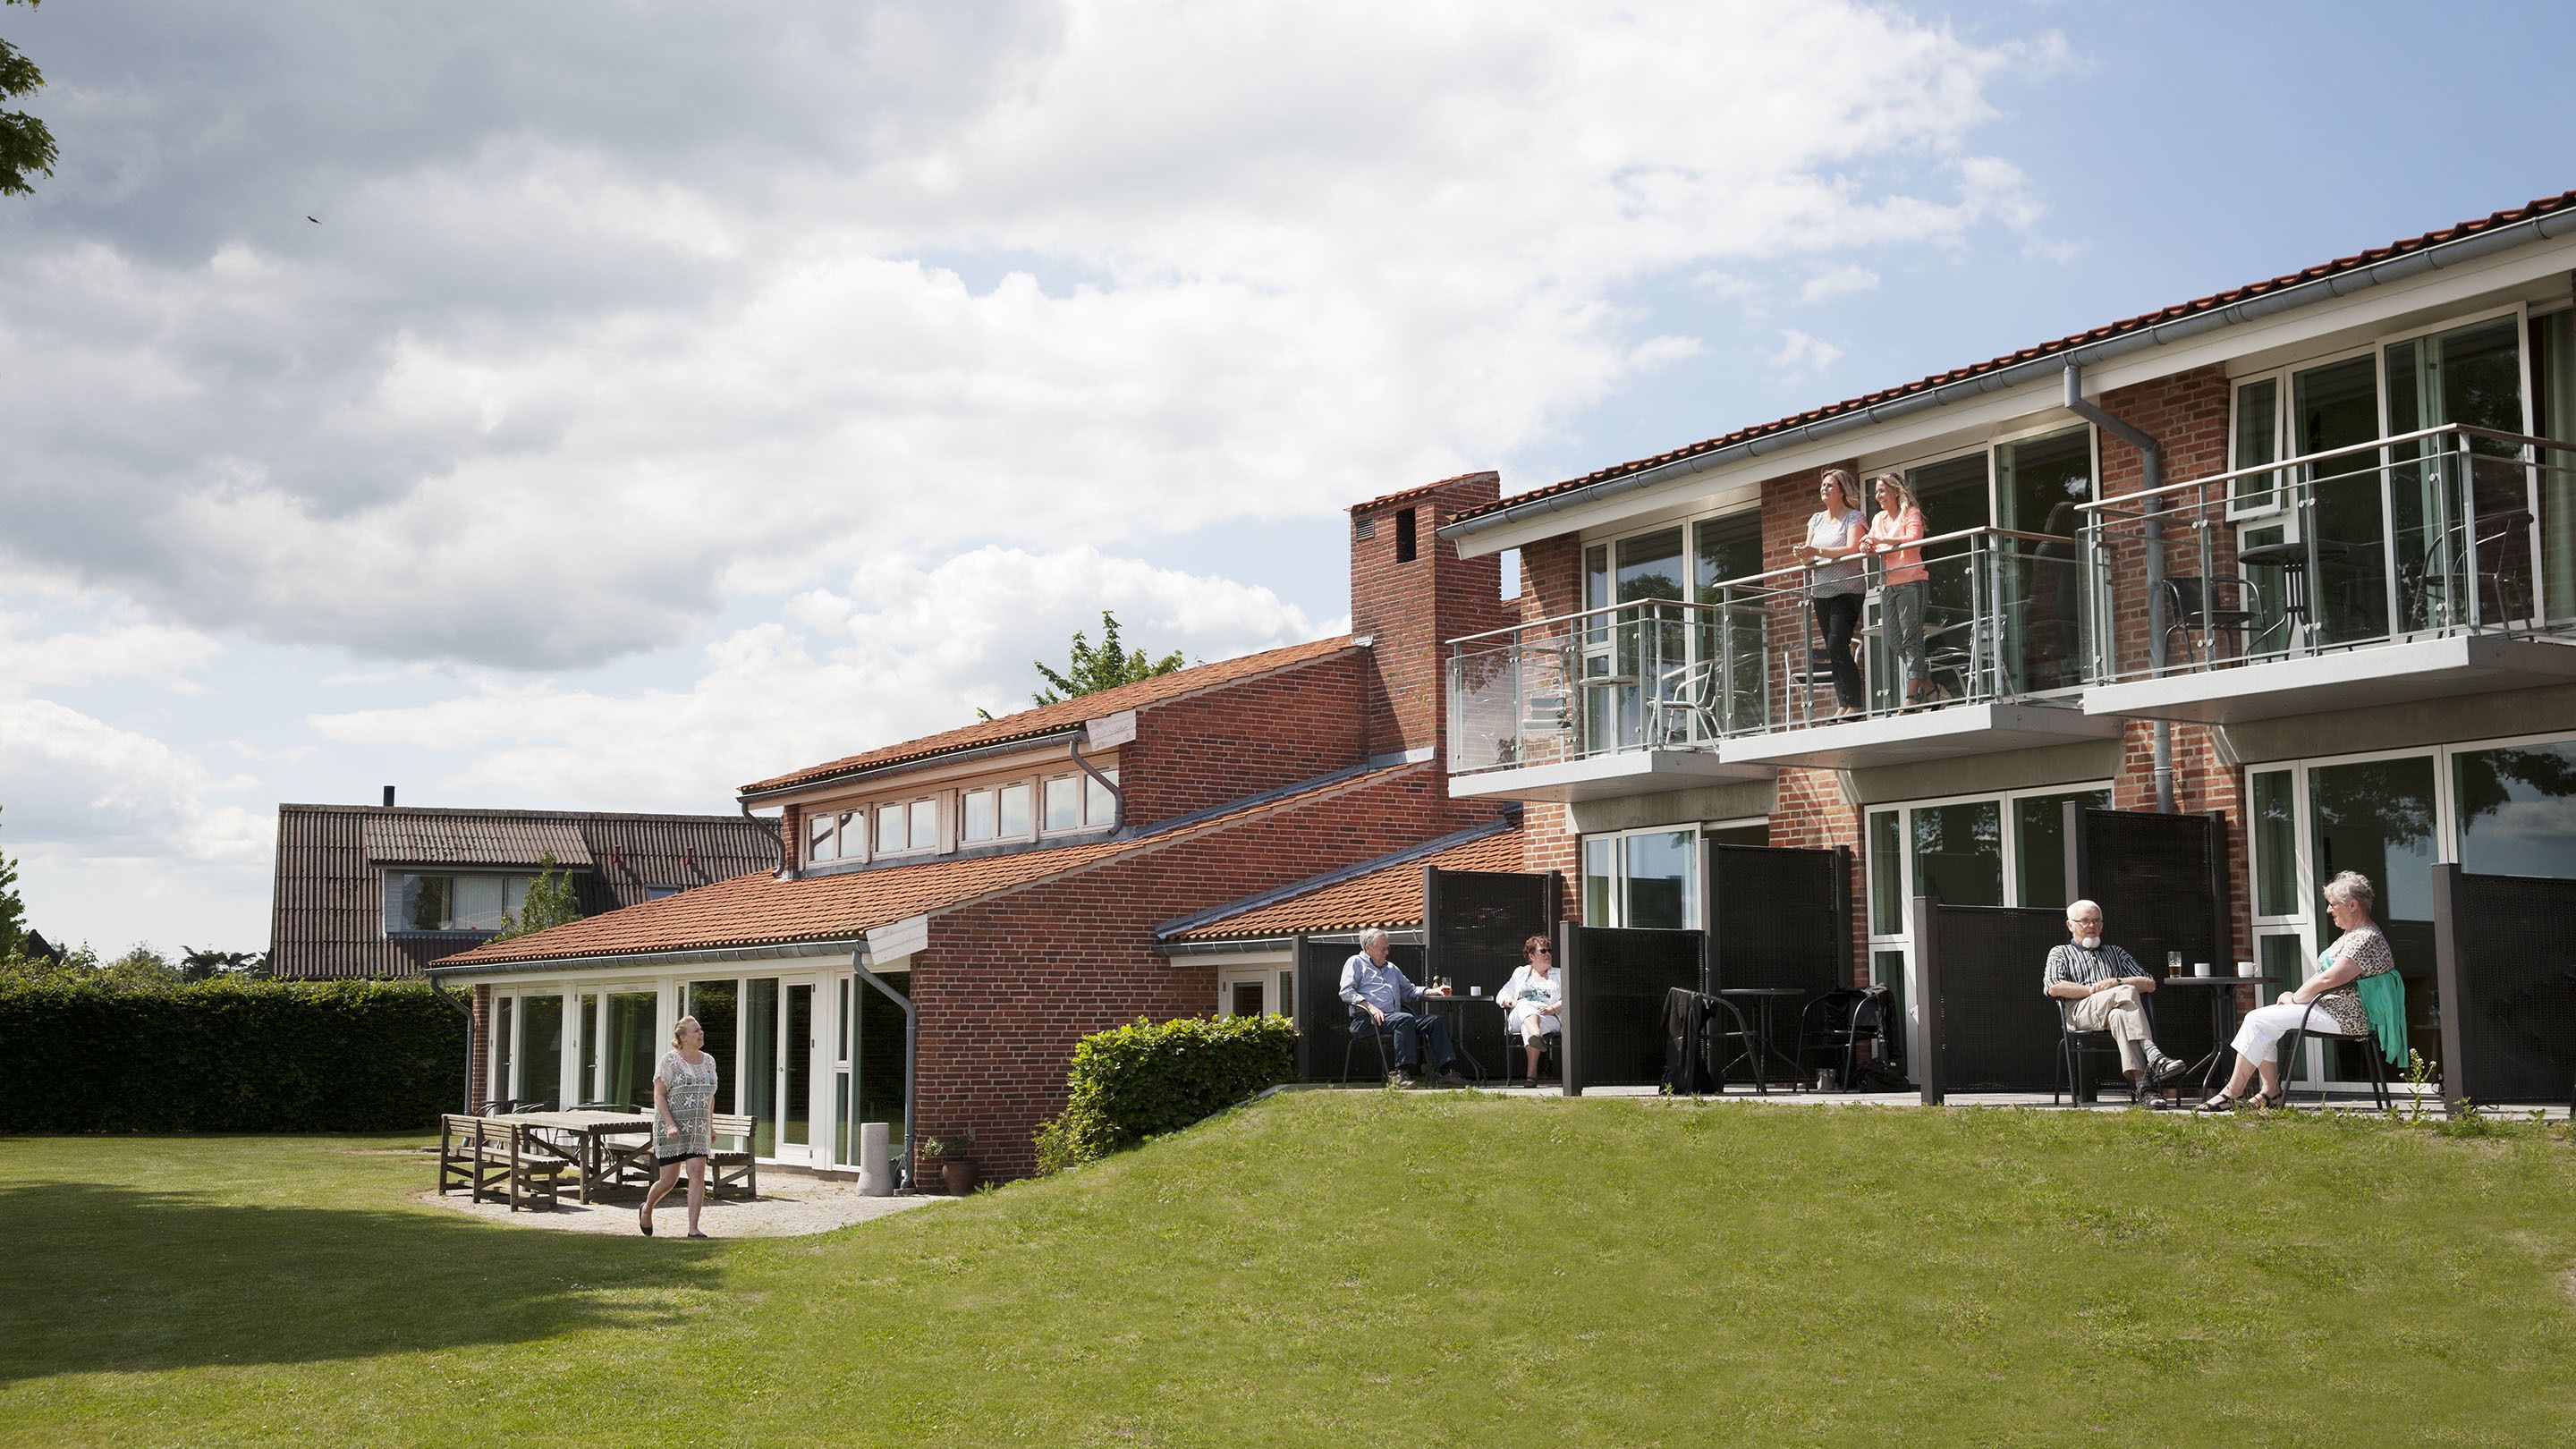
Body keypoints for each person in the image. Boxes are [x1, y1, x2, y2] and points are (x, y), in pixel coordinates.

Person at [2200, 871, 2396, 1111]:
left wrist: (2295, 998)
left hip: (2348, 1016)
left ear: (2353, 905)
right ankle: (2270, 1092)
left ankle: (2233, 1092)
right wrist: (2294, 998)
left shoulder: (2366, 938)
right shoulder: (2353, 935)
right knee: (2265, 1021)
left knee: (2256, 1019)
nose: (2328, 910)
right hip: (2332, 1009)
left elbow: (2330, 978)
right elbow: (2327, 979)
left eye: (2332, 904)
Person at [2042, 900, 2190, 1099]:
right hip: (2079, 1012)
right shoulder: (2060, 952)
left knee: (2120, 1016)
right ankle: (2154, 1055)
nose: (2092, 926)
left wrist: (2116, 981)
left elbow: (2149, 983)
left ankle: (2144, 1088)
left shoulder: (2116, 952)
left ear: (2102, 925)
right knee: (2126, 991)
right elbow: (2053, 986)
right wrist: (2092, 990)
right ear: (2070, 925)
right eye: (2085, 921)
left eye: (2096, 921)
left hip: (2113, 1010)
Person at [1339, 928, 1464, 1087]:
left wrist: (1434, 991)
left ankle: (1445, 1073)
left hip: (1394, 1019)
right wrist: (1369, 1006)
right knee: (1404, 1019)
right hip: (1366, 1020)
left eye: (1387, 948)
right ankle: (1399, 1074)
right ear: (1368, 948)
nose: (1386, 952)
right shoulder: (1355, 962)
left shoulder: (1391, 968)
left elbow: (1410, 990)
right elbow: (1346, 992)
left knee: (1434, 1021)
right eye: (1382, 949)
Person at [1794, 469, 1869, 717]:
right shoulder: (1815, 520)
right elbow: (1809, 558)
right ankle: (1843, 703)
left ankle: (1855, 704)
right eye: (1823, 485)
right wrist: (1804, 555)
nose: (1824, 489)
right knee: (1833, 648)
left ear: (1841, 491)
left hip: (1848, 589)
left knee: (1838, 644)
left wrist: (1816, 550)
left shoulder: (1854, 517)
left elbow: (1850, 549)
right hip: (1821, 591)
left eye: (1829, 486)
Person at [640, 1015, 719, 1237]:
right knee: (669, 1180)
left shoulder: (709, 1061)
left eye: (700, 1030)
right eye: (695, 1031)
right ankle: (647, 1209)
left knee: (697, 1172)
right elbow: (659, 1095)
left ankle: (693, 1229)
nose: (700, 1033)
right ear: (682, 1037)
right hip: (672, 1128)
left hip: (698, 1129)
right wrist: (670, 1125)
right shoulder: (669, 1061)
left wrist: (710, 1125)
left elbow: (709, 1096)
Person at [1865, 471, 1931, 708]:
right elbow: (1870, 540)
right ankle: (1931, 688)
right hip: (1888, 584)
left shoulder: (1910, 513)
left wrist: (1880, 543)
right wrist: (1867, 543)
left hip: (1912, 582)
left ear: (1895, 491)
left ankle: (1911, 697)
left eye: (1882, 490)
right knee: (1895, 641)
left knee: (1911, 639)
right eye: (1876, 492)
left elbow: (1912, 538)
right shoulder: (1878, 519)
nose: (1878, 496)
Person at [1496, 935, 1565, 1086]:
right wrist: (1512, 1002)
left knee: (1526, 1025)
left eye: (1549, 951)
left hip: (1548, 1016)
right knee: (1525, 1004)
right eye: (1543, 951)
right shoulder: (1521, 973)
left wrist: (1552, 1008)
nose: (1548, 954)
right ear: (1531, 956)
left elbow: (1568, 999)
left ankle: (1531, 1074)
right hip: (1519, 1012)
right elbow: (1502, 993)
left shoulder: (1559, 974)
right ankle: (1537, 1034)